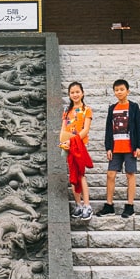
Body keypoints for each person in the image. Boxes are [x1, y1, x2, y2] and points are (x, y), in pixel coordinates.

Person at [98, 78, 140, 218]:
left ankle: (130, 206)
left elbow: (139, 127)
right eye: (116, 90)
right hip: (116, 148)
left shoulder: (134, 107)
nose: (119, 92)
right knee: (110, 174)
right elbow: (108, 129)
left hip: (130, 148)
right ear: (114, 92)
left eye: (122, 89)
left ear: (127, 91)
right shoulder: (112, 108)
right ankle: (109, 205)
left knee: (130, 174)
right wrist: (108, 147)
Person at [59, 81, 93, 221]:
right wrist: (63, 143)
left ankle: (87, 205)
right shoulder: (67, 111)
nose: (75, 94)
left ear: (82, 93)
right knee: (73, 176)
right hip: (68, 146)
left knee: (81, 175)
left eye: (77, 92)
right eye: (72, 92)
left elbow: (85, 130)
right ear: (69, 94)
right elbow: (63, 129)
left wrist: (72, 141)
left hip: (80, 145)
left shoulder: (87, 110)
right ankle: (78, 204)